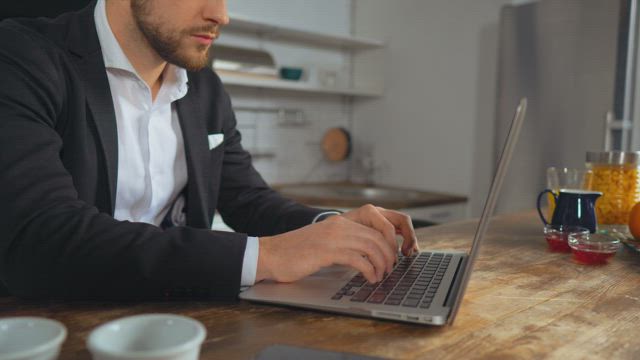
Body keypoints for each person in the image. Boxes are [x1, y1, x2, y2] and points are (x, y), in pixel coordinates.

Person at [0, 0, 418, 300]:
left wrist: (333, 228)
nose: (221, 14)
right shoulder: (22, 55)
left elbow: (246, 199)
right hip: (57, 318)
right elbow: (42, 236)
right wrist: (266, 256)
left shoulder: (205, 89)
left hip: (179, 315)